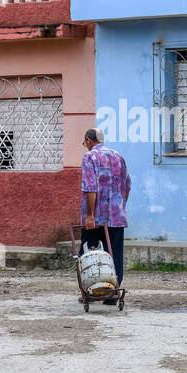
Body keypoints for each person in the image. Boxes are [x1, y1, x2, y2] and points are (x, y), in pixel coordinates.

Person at [80, 128, 131, 303]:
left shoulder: (90, 157)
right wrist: (121, 207)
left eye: (85, 142)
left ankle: (92, 292)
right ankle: (112, 294)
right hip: (117, 216)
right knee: (114, 254)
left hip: (97, 217)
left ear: (88, 140)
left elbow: (90, 187)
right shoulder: (118, 156)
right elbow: (127, 185)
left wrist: (89, 215)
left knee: (88, 253)